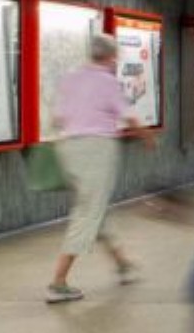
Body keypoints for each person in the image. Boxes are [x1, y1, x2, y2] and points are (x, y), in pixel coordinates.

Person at [45, 34, 148, 303]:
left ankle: (123, 264)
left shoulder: (70, 78)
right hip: (96, 149)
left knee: (93, 207)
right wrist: (147, 137)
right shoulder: (107, 81)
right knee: (87, 213)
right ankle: (58, 283)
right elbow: (129, 116)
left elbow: (57, 118)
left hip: (68, 149)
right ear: (111, 57)